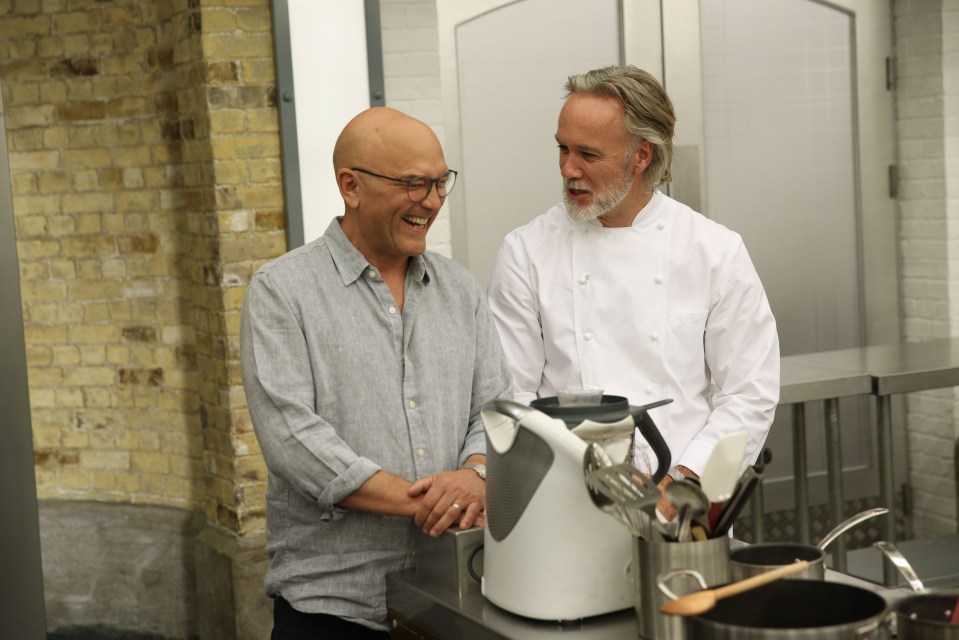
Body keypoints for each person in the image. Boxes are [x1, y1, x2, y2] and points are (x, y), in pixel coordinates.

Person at [241, 107, 512, 638]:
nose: (432, 202)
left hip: (453, 601)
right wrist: (433, 499)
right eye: (414, 184)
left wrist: (476, 473)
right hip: (334, 608)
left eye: (439, 182)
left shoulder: (460, 290)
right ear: (351, 186)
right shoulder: (281, 291)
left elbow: (495, 408)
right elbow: (293, 439)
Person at [487, 65, 780, 517]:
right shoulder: (526, 251)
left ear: (641, 156)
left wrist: (683, 483)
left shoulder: (713, 250)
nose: (568, 169)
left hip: (680, 508)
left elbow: (750, 391)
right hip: (564, 502)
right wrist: (577, 478)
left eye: (588, 153)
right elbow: (512, 394)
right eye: (562, 149)